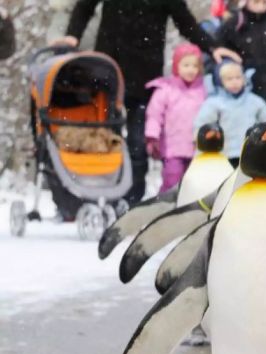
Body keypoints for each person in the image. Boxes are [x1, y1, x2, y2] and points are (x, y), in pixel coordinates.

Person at [55, 0, 241, 204]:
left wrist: (211, 46)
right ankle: (100, 196)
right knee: (105, 139)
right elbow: (84, 6)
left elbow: (185, 21)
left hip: (144, 78)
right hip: (109, 74)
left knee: (138, 144)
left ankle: (131, 199)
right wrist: (73, 36)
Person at [145, 44, 208, 193]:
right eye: (186, 65)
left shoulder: (203, 90)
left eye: (195, 66)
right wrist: (152, 135)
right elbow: (154, 114)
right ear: (176, 66)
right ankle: (166, 206)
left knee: (193, 182)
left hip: (196, 147)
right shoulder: (166, 89)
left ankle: (189, 210)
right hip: (172, 146)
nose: (191, 70)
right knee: (172, 179)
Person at [194, 60, 266, 166]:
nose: (235, 82)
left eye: (238, 77)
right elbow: (202, 125)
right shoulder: (214, 103)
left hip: (250, 153)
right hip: (224, 153)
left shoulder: (254, 101)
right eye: (229, 79)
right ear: (220, 81)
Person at [217, 0, 266, 115]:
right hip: (249, 87)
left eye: (265, 2)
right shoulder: (234, 23)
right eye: (256, 2)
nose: (260, 6)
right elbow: (220, 51)